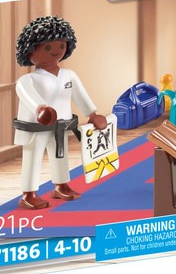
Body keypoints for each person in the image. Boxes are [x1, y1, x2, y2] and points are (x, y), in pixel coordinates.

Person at [13, 16, 107, 210]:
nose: (55, 51)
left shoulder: (69, 76)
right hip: (36, 127)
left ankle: (61, 185)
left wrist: (92, 114)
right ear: (30, 50)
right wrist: (40, 108)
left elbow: (80, 96)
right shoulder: (28, 80)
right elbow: (28, 95)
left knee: (60, 156)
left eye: (61, 46)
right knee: (33, 157)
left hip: (61, 125)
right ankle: (28, 194)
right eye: (48, 47)